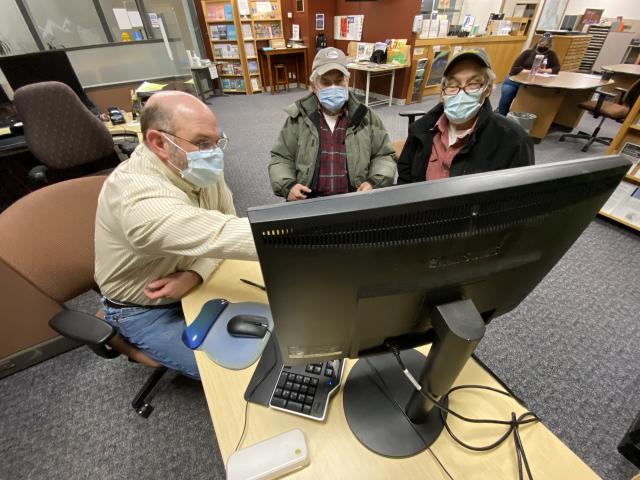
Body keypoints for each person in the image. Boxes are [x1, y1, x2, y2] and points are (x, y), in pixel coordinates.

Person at [94, 91, 257, 380]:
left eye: (217, 142)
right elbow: (226, 235)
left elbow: (224, 229)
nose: (215, 153)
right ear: (159, 143)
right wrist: (321, 235)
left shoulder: (194, 163)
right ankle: (117, 330)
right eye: (203, 143)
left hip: (192, 275)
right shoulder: (136, 197)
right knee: (232, 374)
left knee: (273, 326)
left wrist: (195, 272)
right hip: (144, 308)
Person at [269, 47, 396, 201]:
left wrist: (374, 182)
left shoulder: (366, 117)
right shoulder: (299, 118)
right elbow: (281, 158)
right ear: (314, 85)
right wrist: (288, 186)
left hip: (355, 200)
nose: (333, 87)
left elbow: (384, 155)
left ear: (347, 81)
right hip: (309, 201)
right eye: (326, 82)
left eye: (339, 81)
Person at [397, 49, 534, 184]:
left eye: (472, 84)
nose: (461, 93)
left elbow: (517, 199)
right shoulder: (422, 129)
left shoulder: (513, 141)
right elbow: (405, 179)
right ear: (443, 93)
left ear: (487, 89)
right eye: (453, 85)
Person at [496, 33, 561, 115]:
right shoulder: (528, 53)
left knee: (533, 100)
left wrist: (543, 70)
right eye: (542, 43)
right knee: (507, 93)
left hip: (534, 84)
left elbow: (556, 68)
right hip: (515, 81)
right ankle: (501, 114)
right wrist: (531, 71)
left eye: (546, 44)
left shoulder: (551, 55)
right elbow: (514, 69)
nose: (544, 46)